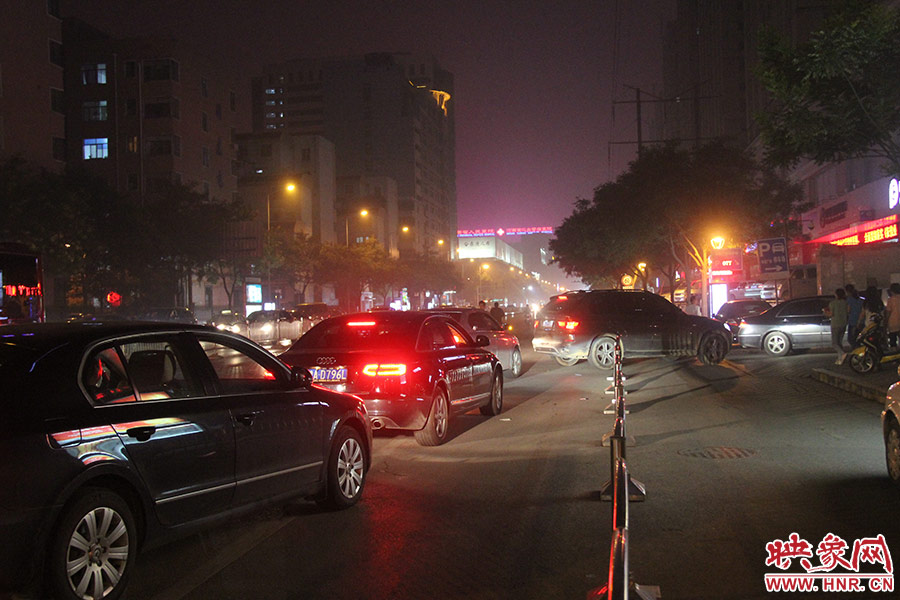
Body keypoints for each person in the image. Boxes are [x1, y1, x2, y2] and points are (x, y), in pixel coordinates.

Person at [825, 288, 849, 365]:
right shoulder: (845, 303)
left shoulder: (833, 303)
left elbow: (831, 314)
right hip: (843, 323)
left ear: (837, 294)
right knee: (839, 342)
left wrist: (825, 312)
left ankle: (842, 353)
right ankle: (840, 359)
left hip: (835, 324)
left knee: (834, 343)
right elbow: (848, 311)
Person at [886, 283, 900, 347]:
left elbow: (888, 312)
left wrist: (885, 321)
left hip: (893, 322)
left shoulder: (890, 300)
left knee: (893, 340)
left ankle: (894, 354)